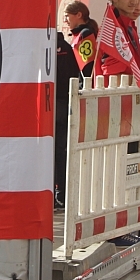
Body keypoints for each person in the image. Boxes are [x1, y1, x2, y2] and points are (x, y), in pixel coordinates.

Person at [54, 32, 80, 209]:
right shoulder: (68, 48)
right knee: (63, 152)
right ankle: (62, 193)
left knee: (47, 153)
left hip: (49, 106)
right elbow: (75, 75)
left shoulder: (43, 47)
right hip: (65, 103)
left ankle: (50, 194)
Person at [64, 1, 99, 79]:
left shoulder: (86, 33)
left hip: (84, 86)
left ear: (79, 15)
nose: (65, 20)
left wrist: (81, 86)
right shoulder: (78, 34)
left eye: (67, 16)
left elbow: (88, 66)